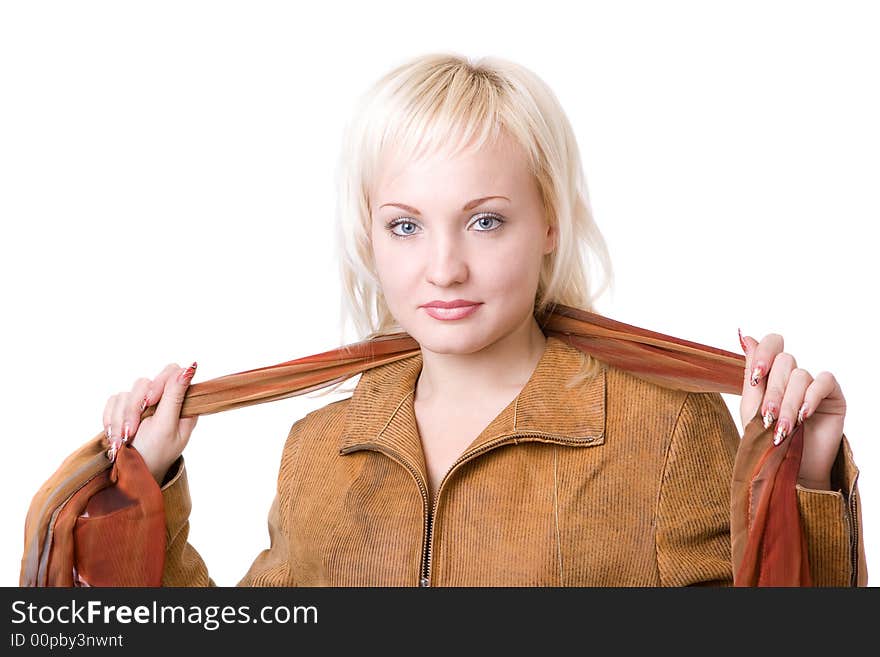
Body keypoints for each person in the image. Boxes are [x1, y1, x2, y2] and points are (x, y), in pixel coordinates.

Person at [97, 52, 865, 586]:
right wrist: (150, 483)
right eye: (405, 225)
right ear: (370, 236)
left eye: (486, 221)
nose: (444, 266)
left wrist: (810, 481)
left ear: (551, 224)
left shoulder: (666, 430)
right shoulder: (317, 451)